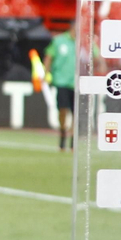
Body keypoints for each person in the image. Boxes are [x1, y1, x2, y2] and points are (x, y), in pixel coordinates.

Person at [43, 22, 77, 150]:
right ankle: (63, 132)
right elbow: (49, 57)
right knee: (63, 109)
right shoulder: (59, 41)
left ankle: (73, 139)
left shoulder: (85, 43)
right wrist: (45, 73)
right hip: (62, 81)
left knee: (76, 113)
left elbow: (96, 56)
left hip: (78, 84)